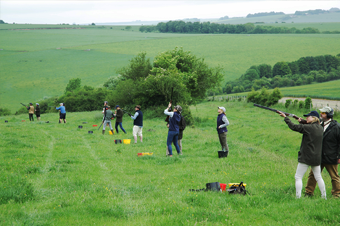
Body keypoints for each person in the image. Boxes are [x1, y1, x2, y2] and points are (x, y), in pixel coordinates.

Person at [278, 110, 326, 199]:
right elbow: (311, 129)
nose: (307, 117)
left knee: (298, 177)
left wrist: (285, 118)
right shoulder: (320, 128)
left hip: (306, 157)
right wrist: (302, 122)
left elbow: (293, 127)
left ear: (314, 118)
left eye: (309, 116)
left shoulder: (308, 128)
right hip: (316, 158)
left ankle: (298, 197)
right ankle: (324, 196)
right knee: (318, 177)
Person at [305, 106, 340, 198]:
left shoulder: (336, 127)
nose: (321, 114)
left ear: (329, 114)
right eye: (321, 112)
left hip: (331, 156)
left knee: (334, 177)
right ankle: (308, 193)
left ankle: (337, 194)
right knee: (312, 175)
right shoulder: (319, 125)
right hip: (319, 156)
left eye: (324, 113)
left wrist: (339, 156)